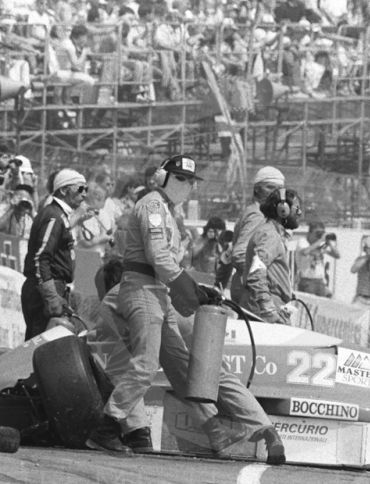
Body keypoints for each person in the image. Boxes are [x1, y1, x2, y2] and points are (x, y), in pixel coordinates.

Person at [87, 154, 285, 465]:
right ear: (163, 178)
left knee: (182, 368)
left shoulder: (168, 213)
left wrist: (197, 294)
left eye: (191, 181)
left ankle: (214, 430)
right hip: (141, 290)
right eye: (181, 179)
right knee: (146, 365)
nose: (188, 186)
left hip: (158, 294)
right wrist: (192, 290)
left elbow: (172, 266)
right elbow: (158, 257)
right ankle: (106, 426)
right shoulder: (153, 206)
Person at [21, 168, 87, 340]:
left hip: (51, 287)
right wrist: (51, 296)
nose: (84, 194)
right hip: (45, 290)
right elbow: (40, 258)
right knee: (39, 348)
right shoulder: (53, 216)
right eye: (80, 189)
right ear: (64, 190)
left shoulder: (58, 215)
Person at [242, 188, 303, 324]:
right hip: (266, 309)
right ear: (283, 210)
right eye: (297, 208)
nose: (300, 212)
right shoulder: (270, 235)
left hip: (269, 304)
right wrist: (268, 309)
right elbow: (256, 274)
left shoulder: (271, 234)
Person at [230, 166, 285, 303]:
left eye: (280, 189)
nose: (276, 193)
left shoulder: (257, 213)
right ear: (257, 189)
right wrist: (267, 279)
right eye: (271, 187)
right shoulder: (258, 215)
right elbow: (240, 254)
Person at [295, 221, 340, 297]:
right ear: (310, 233)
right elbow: (306, 252)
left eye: (321, 233)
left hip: (320, 281)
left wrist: (328, 243)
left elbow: (337, 255)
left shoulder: (319, 245)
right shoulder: (303, 242)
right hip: (307, 281)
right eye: (317, 233)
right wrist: (320, 240)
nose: (318, 235)